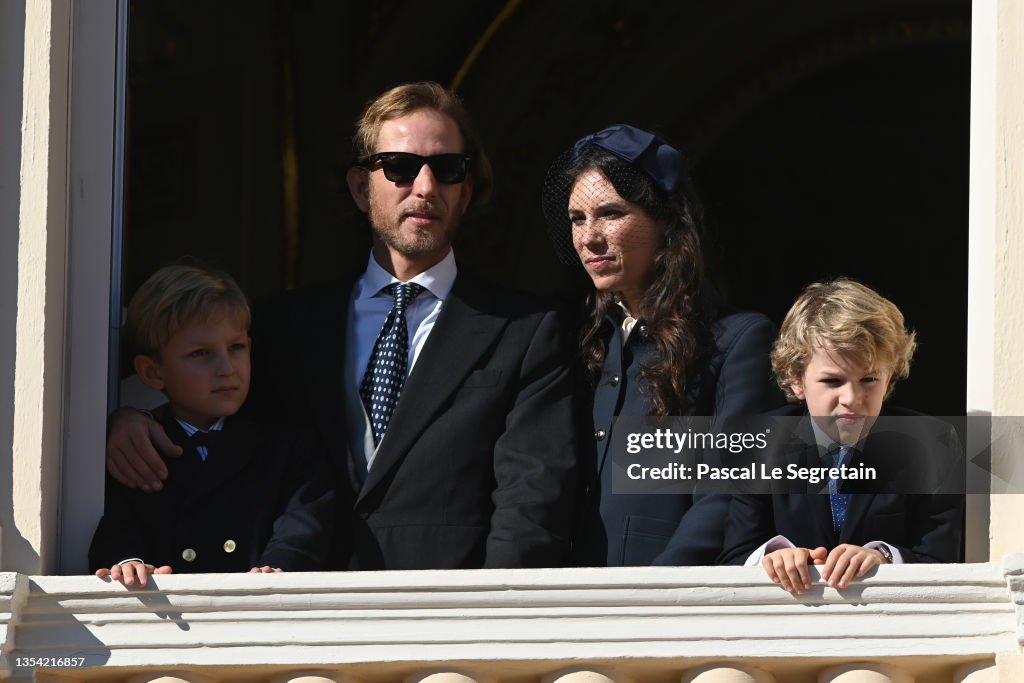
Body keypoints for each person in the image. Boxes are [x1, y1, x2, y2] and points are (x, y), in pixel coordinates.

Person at [106, 81, 577, 570]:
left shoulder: (526, 328)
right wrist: (125, 418)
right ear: (359, 186)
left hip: (445, 615)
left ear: (468, 189)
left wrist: (489, 620)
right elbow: (180, 379)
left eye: (447, 168)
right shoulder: (283, 324)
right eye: (399, 166)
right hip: (290, 615)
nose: (425, 187)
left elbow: (533, 501)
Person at [541, 124, 783, 566]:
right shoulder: (573, 339)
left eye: (610, 213)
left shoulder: (737, 340)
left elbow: (728, 493)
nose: (589, 237)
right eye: (577, 219)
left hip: (665, 608)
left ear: (666, 219)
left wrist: (655, 595)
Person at [90, 265, 335, 585]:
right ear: (152, 372)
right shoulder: (138, 450)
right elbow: (117, 526)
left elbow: (304, 522)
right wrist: (127, 563)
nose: (226, 368)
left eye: (236, 347)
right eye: (201, 353)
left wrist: (279, 564)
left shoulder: (287, 443)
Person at [717, 278, 964, 593]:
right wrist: (774, 556)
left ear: (889, 380)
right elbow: (735, 555)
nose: (852, 397)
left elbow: (942, 563)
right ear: (796, 380)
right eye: (833, 381)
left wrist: (884, 558)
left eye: (869, 379)